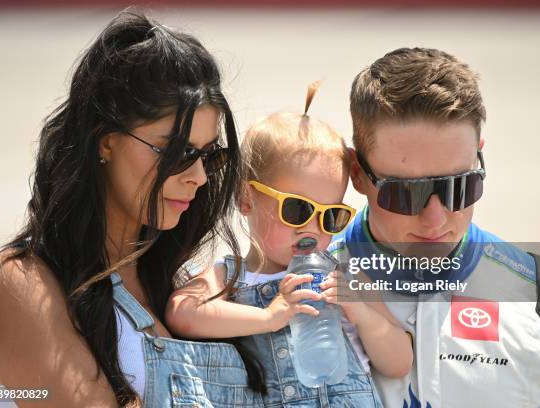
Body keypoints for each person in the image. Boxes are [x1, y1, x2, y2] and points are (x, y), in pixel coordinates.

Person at [0, 10, 261, 407]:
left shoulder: (183, 287)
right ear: (105, 141)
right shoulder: (23, 283)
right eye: (177, 151)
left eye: (208, 156)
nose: (198, 175)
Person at [329, 47, 540, 408]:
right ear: (356, 173)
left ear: (480, 155)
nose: (436, 221)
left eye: (460, 187)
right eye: (405, 194)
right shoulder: (296, 292)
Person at [165, 83, 413, 407]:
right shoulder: (233, 278)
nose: (312, 229)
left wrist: (362, 313)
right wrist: (269, 317)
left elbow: (398, 363)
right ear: (245, 198)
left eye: (331, 216)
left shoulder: (346, 275)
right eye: (297, 210)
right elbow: (182, 312)